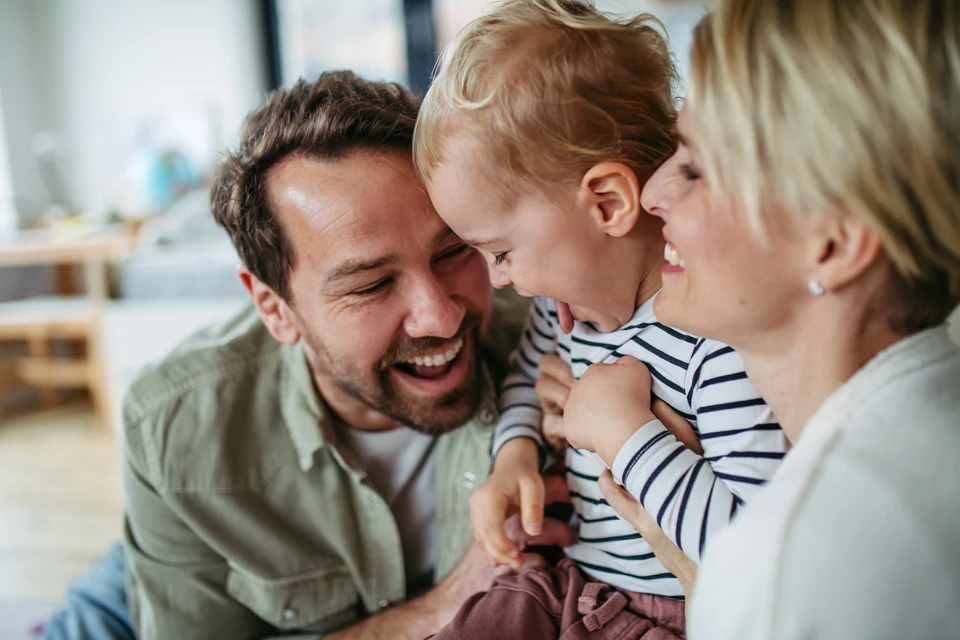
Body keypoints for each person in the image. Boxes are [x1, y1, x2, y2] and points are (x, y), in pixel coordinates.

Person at [43, 71, 578, 640]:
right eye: (371, 285)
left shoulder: (558, 327)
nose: (441, 316)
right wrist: (444, 604)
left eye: (453, 252)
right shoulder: (173, 427)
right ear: (275, 309)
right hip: (170, 567)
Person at [560, 0, 960, 638]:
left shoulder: (780, 570)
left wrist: (707, 584)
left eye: (695, 168)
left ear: (834, 242)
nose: (653, 193)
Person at [412, 1, 786, 637]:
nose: (496, 280)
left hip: (675, 611)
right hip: (573, 584)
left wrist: (625, 433)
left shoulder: (719, 336)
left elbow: (748, 553)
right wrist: (516, 456)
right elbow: (525, 383)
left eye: (500, 252)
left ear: (608, 204)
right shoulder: (560, 310)